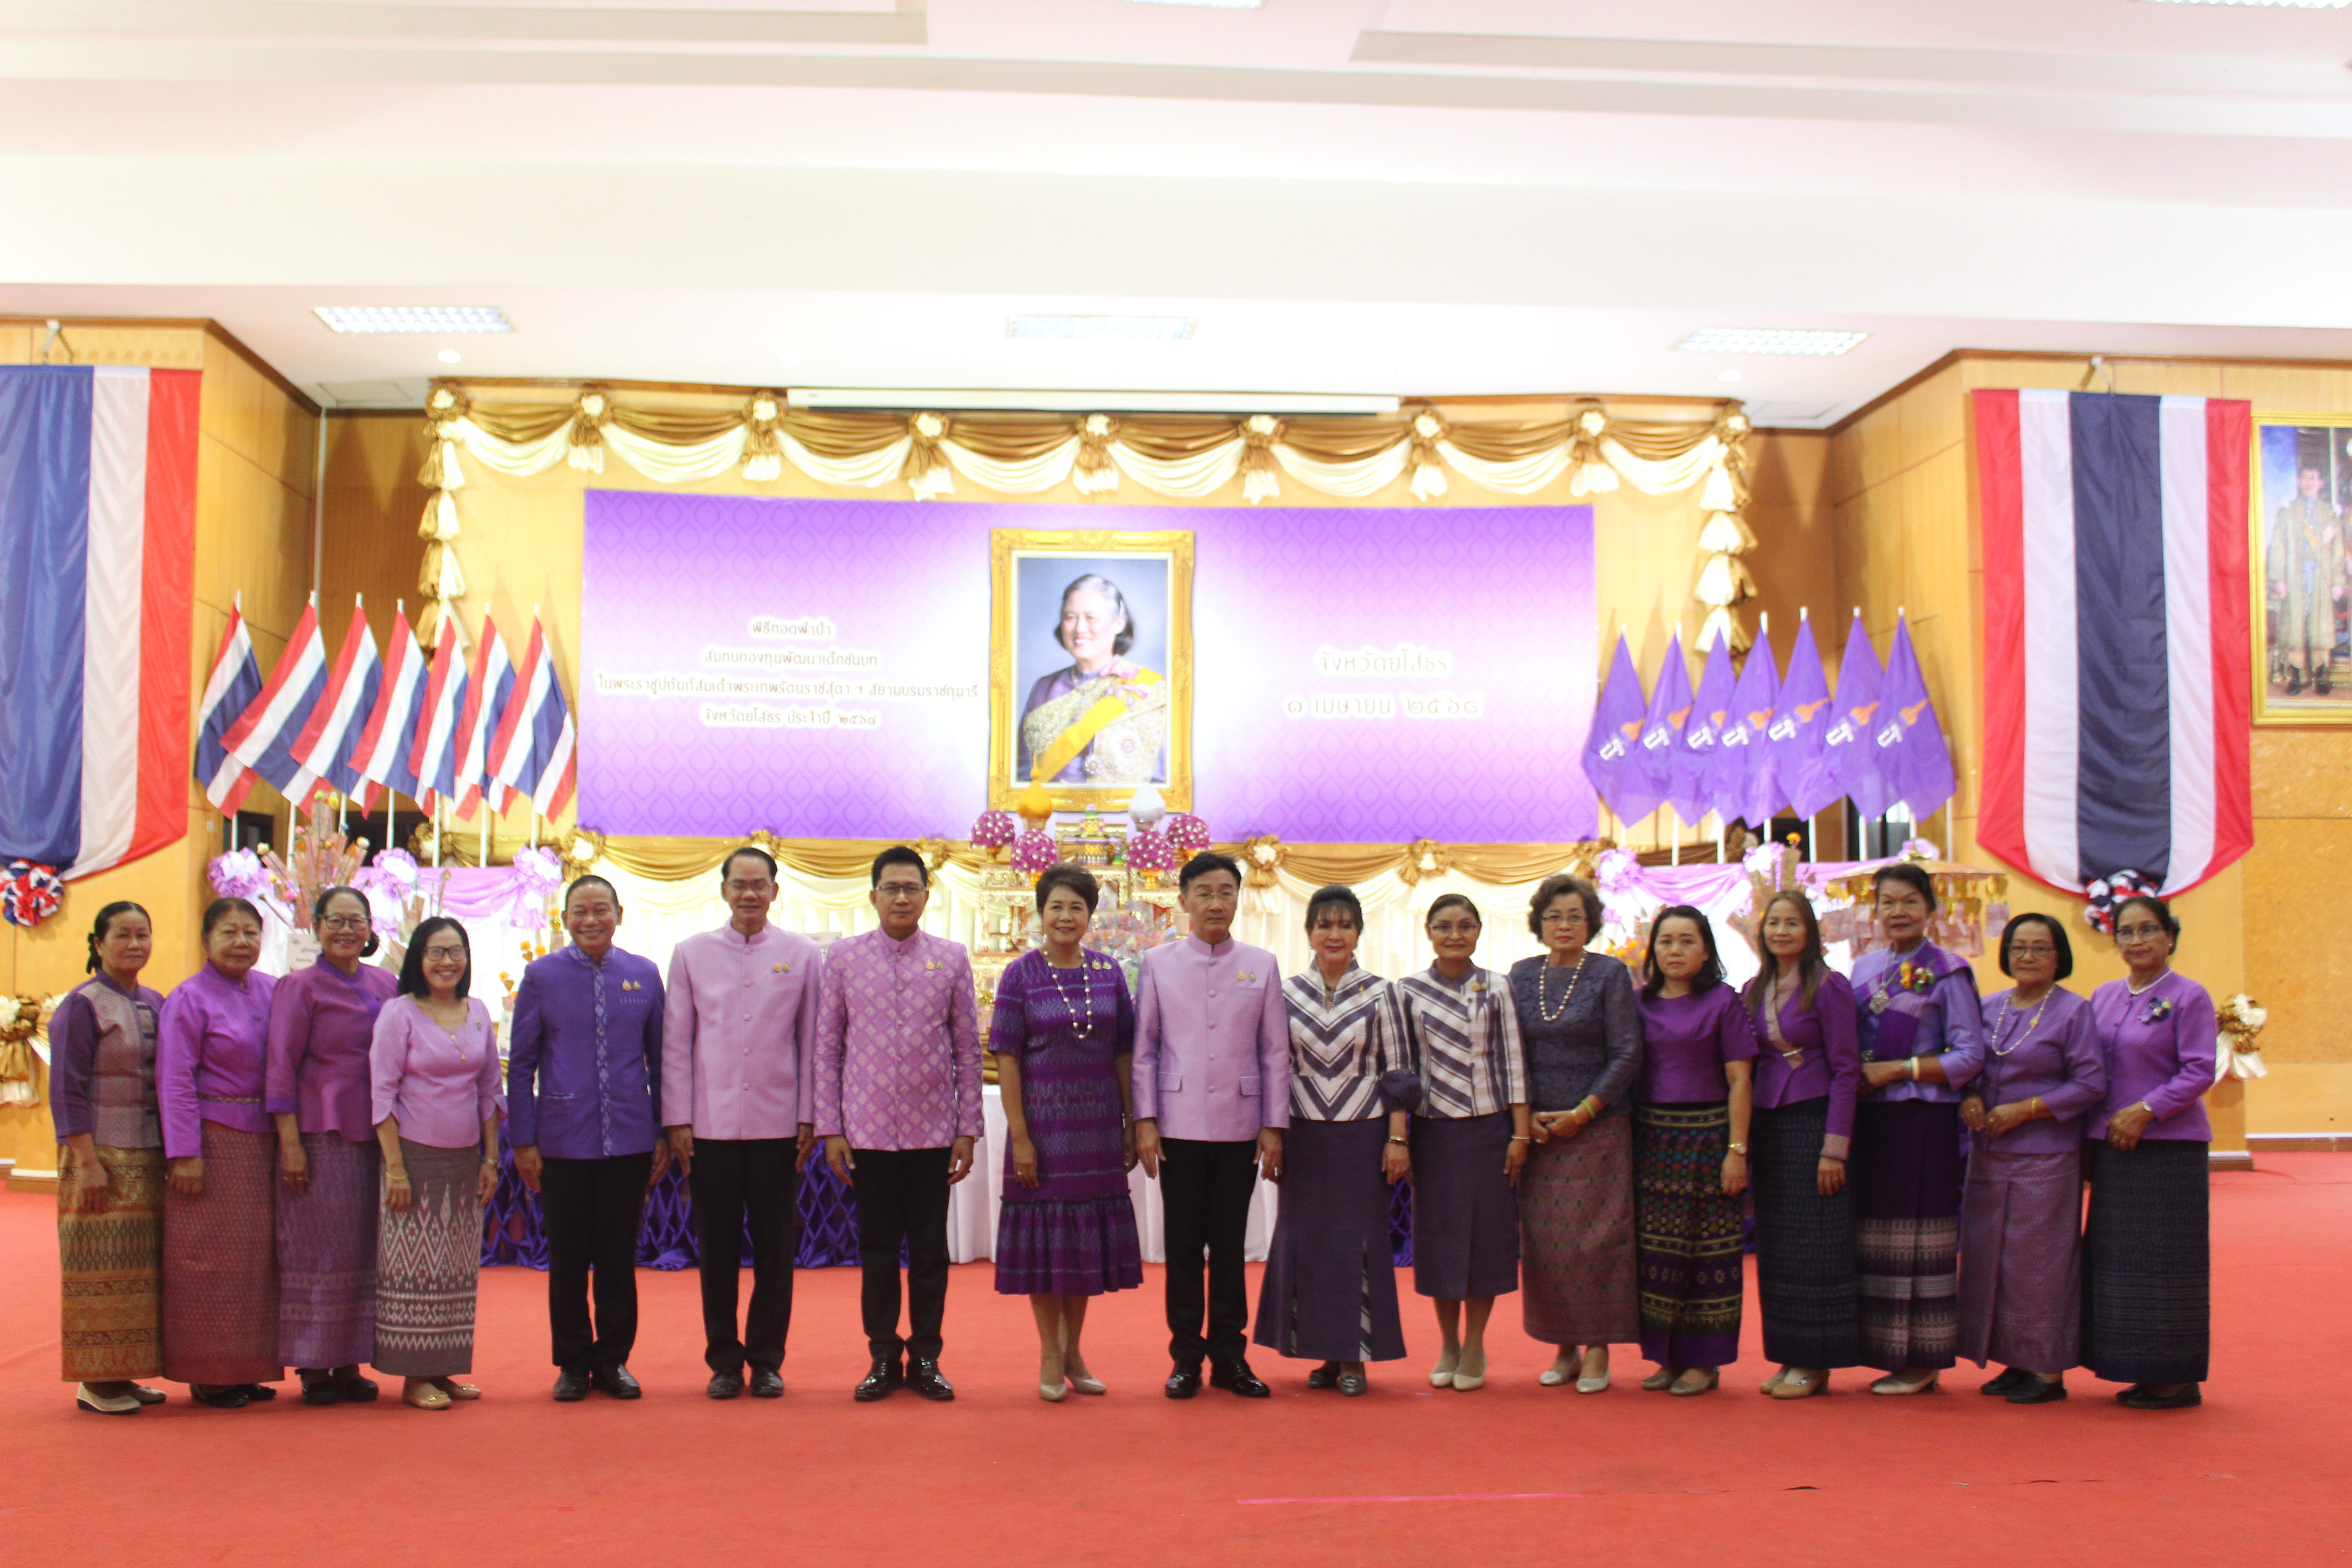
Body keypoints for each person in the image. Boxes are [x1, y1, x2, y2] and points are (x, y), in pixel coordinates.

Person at [814, 846, 983, 1404]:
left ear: (927, 897)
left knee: (931, 1252)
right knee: (880, 1249)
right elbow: (827, 1049)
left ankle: (929, 1356)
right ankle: (884, 1355)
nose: (902, 898)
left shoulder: (952, 958)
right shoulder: (841, 958)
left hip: (934, 1134)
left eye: (912, 888)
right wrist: (830, 1128)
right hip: (865, 1135)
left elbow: (967, 1049)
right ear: (873, 896)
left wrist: (968, 1129)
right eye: (892, 888)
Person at [664, 846, 821, 1401]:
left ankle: (768, 1359)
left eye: (760, 884)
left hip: (779, 1125)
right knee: (718, 1251)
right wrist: (677, 1118)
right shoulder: (691, 953)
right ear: (724, 889)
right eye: (740, 884)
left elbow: (812, 1042)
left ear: (776, 891)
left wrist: (810, 1114)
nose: (749, 893)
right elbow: (676, 1041)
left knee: (778, 1250)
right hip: (709, 1128)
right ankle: (724, 1361)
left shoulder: (803, 954)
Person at [1132, 851, 1288, 1400]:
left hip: (1241, 1126)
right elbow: (1144, 1049)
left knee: (1228, 1246)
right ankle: (1185, 1360)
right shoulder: (1158, 963)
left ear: (1238, 898)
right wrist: (1145, 1121)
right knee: (1182, 1247)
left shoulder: (1262, 964)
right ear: (1184, 901)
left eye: (1226, 892)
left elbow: (1275, 1052)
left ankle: (1230, 1357)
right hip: (1176, 1125)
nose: (1216, 903)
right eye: (1205, 893)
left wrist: (1274, 1125)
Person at [509, 875, 667, 1403]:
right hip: (561, 1142)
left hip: (629, 1138)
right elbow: (523, 1065)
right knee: (569, 1258)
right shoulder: (542, 976)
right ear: (565, 918)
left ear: (619, 914)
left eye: (601, 909)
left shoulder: (644, 976)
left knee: (620, 1258)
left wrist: (663, 1130)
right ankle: (573, 1362)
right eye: (580, 911)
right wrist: (523, 1141)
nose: (591, 919)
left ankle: (615, 1360)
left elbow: (663, 1064)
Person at [992, 862, 1144, 1401]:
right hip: (1042, 1127)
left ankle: (1075, 1350)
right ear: (1041, 913)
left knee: (1081, 1249)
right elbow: (1007, 1058)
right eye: (1056, 906)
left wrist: (1130, 1121)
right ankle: (1049, 1353)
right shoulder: (1020, 975)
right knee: (1046, 1246)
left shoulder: (1109, 973)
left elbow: (1124, 1051)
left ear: (1090, 915)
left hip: (1098, 1127)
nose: (1065, 916)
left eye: (1076, 907)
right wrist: (1021, 1137)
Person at [1254, 884, 1411, 1396]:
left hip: (1363, 1135)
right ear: (1309, 933)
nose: (1334, 934)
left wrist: (1396, 1138)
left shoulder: (1382, 992)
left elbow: (1399, 1071)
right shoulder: (1288, 992)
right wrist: (1274, 1134)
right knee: (1307, 1243)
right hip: (1302, 1136)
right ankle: (1319, 1352)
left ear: (1359, 933)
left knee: (1357, 1244)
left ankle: (1356, 1356)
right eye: (1325, 924)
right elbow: (1275, 1067)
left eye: (1345, 925)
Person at [1957, 913, 2104, 1405]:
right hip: (1988, 1155)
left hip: (2047, 1155)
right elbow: (1968, 1066)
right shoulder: (1990, 1006)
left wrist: (2025, 1111)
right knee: (1990, 1260)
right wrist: (1970, 1096)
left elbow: (2089, 1084)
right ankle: (2011, 1359)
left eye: (2041, 948)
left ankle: (2046, 1370)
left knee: (2039, 1266)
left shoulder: (2073, 1011)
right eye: (2019, 947)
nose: (2028, 956)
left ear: (2059, 956)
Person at [1849, 862, 1984, 1395]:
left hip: (1923, 1119)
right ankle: (1886, 1349)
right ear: (1875, 910)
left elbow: (1970, 1055)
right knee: (1878, 1239)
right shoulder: (1861, 969)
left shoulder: (1950, 971)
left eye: (1910, 902)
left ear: (1931, 909)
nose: (1898, 912)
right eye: (1888, 902)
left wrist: (1900, 1069)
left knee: (1921, 1241)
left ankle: (1923, 1357)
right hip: (1871, 1122)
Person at [267, 885, 402, 1405]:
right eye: (336, 920)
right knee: (318, 1249)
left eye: (357, 921)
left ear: (370, 929)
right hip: (322, 1131)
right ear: (317, 927)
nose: (347, 930)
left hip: (379, 1134)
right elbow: (280, 1064)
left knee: (363, 1251)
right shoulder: (298, 987)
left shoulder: (387, 982)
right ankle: (313, 1363)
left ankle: (348, 1361)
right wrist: (290, 1143)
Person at [2083, 894, 2218, 1411]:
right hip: (2114, 1147)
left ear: (2170, 937)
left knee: (2167, 1264)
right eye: (2126, 932)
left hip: (2168, 1150)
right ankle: (2138, 1365)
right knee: (2121, 1263)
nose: (2136, 941)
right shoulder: (2105, 995)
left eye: (2148, 930)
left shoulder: (2189, 996)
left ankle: (2176, 1377)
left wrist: (2146, 1110)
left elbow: (2199, 1069)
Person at [1507, 874, 1641, 1395]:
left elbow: (1628, 1052)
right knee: (1547, 1244)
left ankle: (1598, 1348)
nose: (1564, 925)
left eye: (1575, 916)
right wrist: (1530, 1116)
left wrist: (1583, 1113)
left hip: (1599, 1127)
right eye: (1554, 916)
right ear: (1539, 923)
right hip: (1539, 1132)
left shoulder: (1610, 974)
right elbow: (1509, 1050)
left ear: (1591, 923)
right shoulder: (1520, 975)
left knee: (1597, 1241)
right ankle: (1562, 1347)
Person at [1394, 893, 1529, 1393]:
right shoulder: (1408, 992)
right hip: (1434, 1132)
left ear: (1478, 932)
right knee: (1441, 1241)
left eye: (1466, 926)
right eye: (1445, 926)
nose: (1456, 935)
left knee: (1487, 1242)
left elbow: (1514, 1063)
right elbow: (1402, 1070)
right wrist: (1400, 1136)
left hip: (1492, 1129)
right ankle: (1448, 1342)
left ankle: (1476, 1341)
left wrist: (1520, 1132)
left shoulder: (1497, 987)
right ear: (1429, 931)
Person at [369, 916, 504, 1411]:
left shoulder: (478, 1011)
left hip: (465, 1159)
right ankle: (413, 1376)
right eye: (436, 953)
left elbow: (490, 1091)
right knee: (413, 1268)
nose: (447, 962)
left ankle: (443, 1368)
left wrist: (490, 1159)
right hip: (413, 1157)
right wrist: (396, 1170)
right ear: (418, 960)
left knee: (454, 1269)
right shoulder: (399, 1014)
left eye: (456, 952)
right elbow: (380, 1095)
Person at [157, 897, 282, 1408]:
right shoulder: (188, 999)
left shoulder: (274, 990)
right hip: (212, 1141)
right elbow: (174, 1080)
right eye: (229, 933)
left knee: (256, 1263)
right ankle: (209, 1373)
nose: (241, 942)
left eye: (251, 932)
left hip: (266, 1143)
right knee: (207, 1261)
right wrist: (185, 1152)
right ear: (206, 940)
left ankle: (246, 1366)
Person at [1631, 906, 1757, 1397]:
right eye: (1666, 941)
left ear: (1706, 950)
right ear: (1653, 949)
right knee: (1658, 1252)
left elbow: (1741, 1079)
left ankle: (1704, 1362)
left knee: (1708, 1255)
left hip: (1708, 1138)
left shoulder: (1723, 1002)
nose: (1675, 951)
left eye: (1687, 941)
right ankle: (1667, 1356)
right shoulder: (1639, 1003)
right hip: (1652, 1141)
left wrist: (1737, 1151)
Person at [1743, 890, 1862, 1400]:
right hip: (1768, 1123)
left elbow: (1847, 1068)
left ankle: (1816, 1361)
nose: (1782, 932)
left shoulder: (1829, 986)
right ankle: (1788, 1353)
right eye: (1774, 923)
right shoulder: (1752, 988)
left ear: (1810, 931)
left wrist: (1834, 1148)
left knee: (1816, 1246)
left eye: (1793, 923)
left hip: (1814, 1122)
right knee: (1779, 1247)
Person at [52, 901, 168, 1416]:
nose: (135, 945)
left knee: (139, 1272)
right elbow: (65, 1089)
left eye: (143, 934)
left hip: (148, 1156)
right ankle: (95, 1381)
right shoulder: (83, 1005)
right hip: (98, 1156)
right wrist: (88, 1161)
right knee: (95, 1269)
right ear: (98, 945)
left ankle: (122, 1373)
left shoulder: (156, 1001)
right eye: (122, 935)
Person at [1017, 572, 1169, 785]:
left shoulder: (1147, 688)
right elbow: (1021, 776)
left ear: (1119, 623)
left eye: (1091, 618)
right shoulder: (1043, 688)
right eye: (1070, 617)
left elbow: (1161, 782)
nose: (1080, 628)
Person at [2269, 459, 2345, 695]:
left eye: (2314, 478)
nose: (2310, 482)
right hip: (2295, 577)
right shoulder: (2288, 513)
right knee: (2294, 626)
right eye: (2306, 477)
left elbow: (2338, 551)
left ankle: (2321, 675)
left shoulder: (2329, 514)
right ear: (2299, 481)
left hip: (2320, 578)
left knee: (2321, 625)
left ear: (2321, 483)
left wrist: (2338, 582)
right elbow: (2278, 547)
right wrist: (2279, 579)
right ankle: (2296, 675)